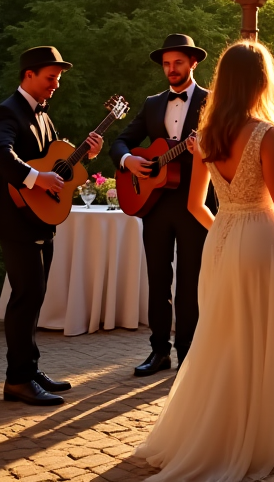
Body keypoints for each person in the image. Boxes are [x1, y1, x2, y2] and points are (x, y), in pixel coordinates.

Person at [134, 39, 274, 482]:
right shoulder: (265, 133)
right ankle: (250, 437)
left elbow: (195, 206)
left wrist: (226, 229)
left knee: (220, 338)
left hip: (220, 242)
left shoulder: (205, 135)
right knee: (257, 338)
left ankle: (209, 432)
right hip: (260, 242)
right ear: (260, 82)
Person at [0, 46, 104, 407]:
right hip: (15, 219)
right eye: (51, 78)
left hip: (39, 218)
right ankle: (17, 380)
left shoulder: (43, 114)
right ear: (29, 75)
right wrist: (35, 178)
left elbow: (56, 162)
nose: (56, 85)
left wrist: (88, 154)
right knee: (25, 296)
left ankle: (29, 370)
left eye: (58, 78)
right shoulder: (7, 111)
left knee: (35, 295)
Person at [110, 34, 215, 377]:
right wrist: (128, 160)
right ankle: (159, 351)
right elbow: (121, 141)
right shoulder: (153, 104)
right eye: (167, 64)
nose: (171, 69)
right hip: (153, 203)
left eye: (178, 63)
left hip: (194, 203)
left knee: (189, 281)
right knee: (157, 278)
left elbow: (226, 145)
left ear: (193, 63)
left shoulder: (212, 101)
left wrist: (203, 148)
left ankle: (189, 352)